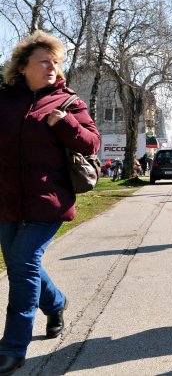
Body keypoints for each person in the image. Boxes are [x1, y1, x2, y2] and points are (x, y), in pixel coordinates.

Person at [0, 31, 101, 374]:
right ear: (23, 67)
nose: (52, 67)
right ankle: (56, 303)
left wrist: (66, 123)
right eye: (44, 61)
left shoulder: (68, 101)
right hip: (7, 200)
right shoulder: (5, 101)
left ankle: (13, 347)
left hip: (49, 200)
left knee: (23, 264)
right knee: (19, 262)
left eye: (56, 62)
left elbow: (91, 143)